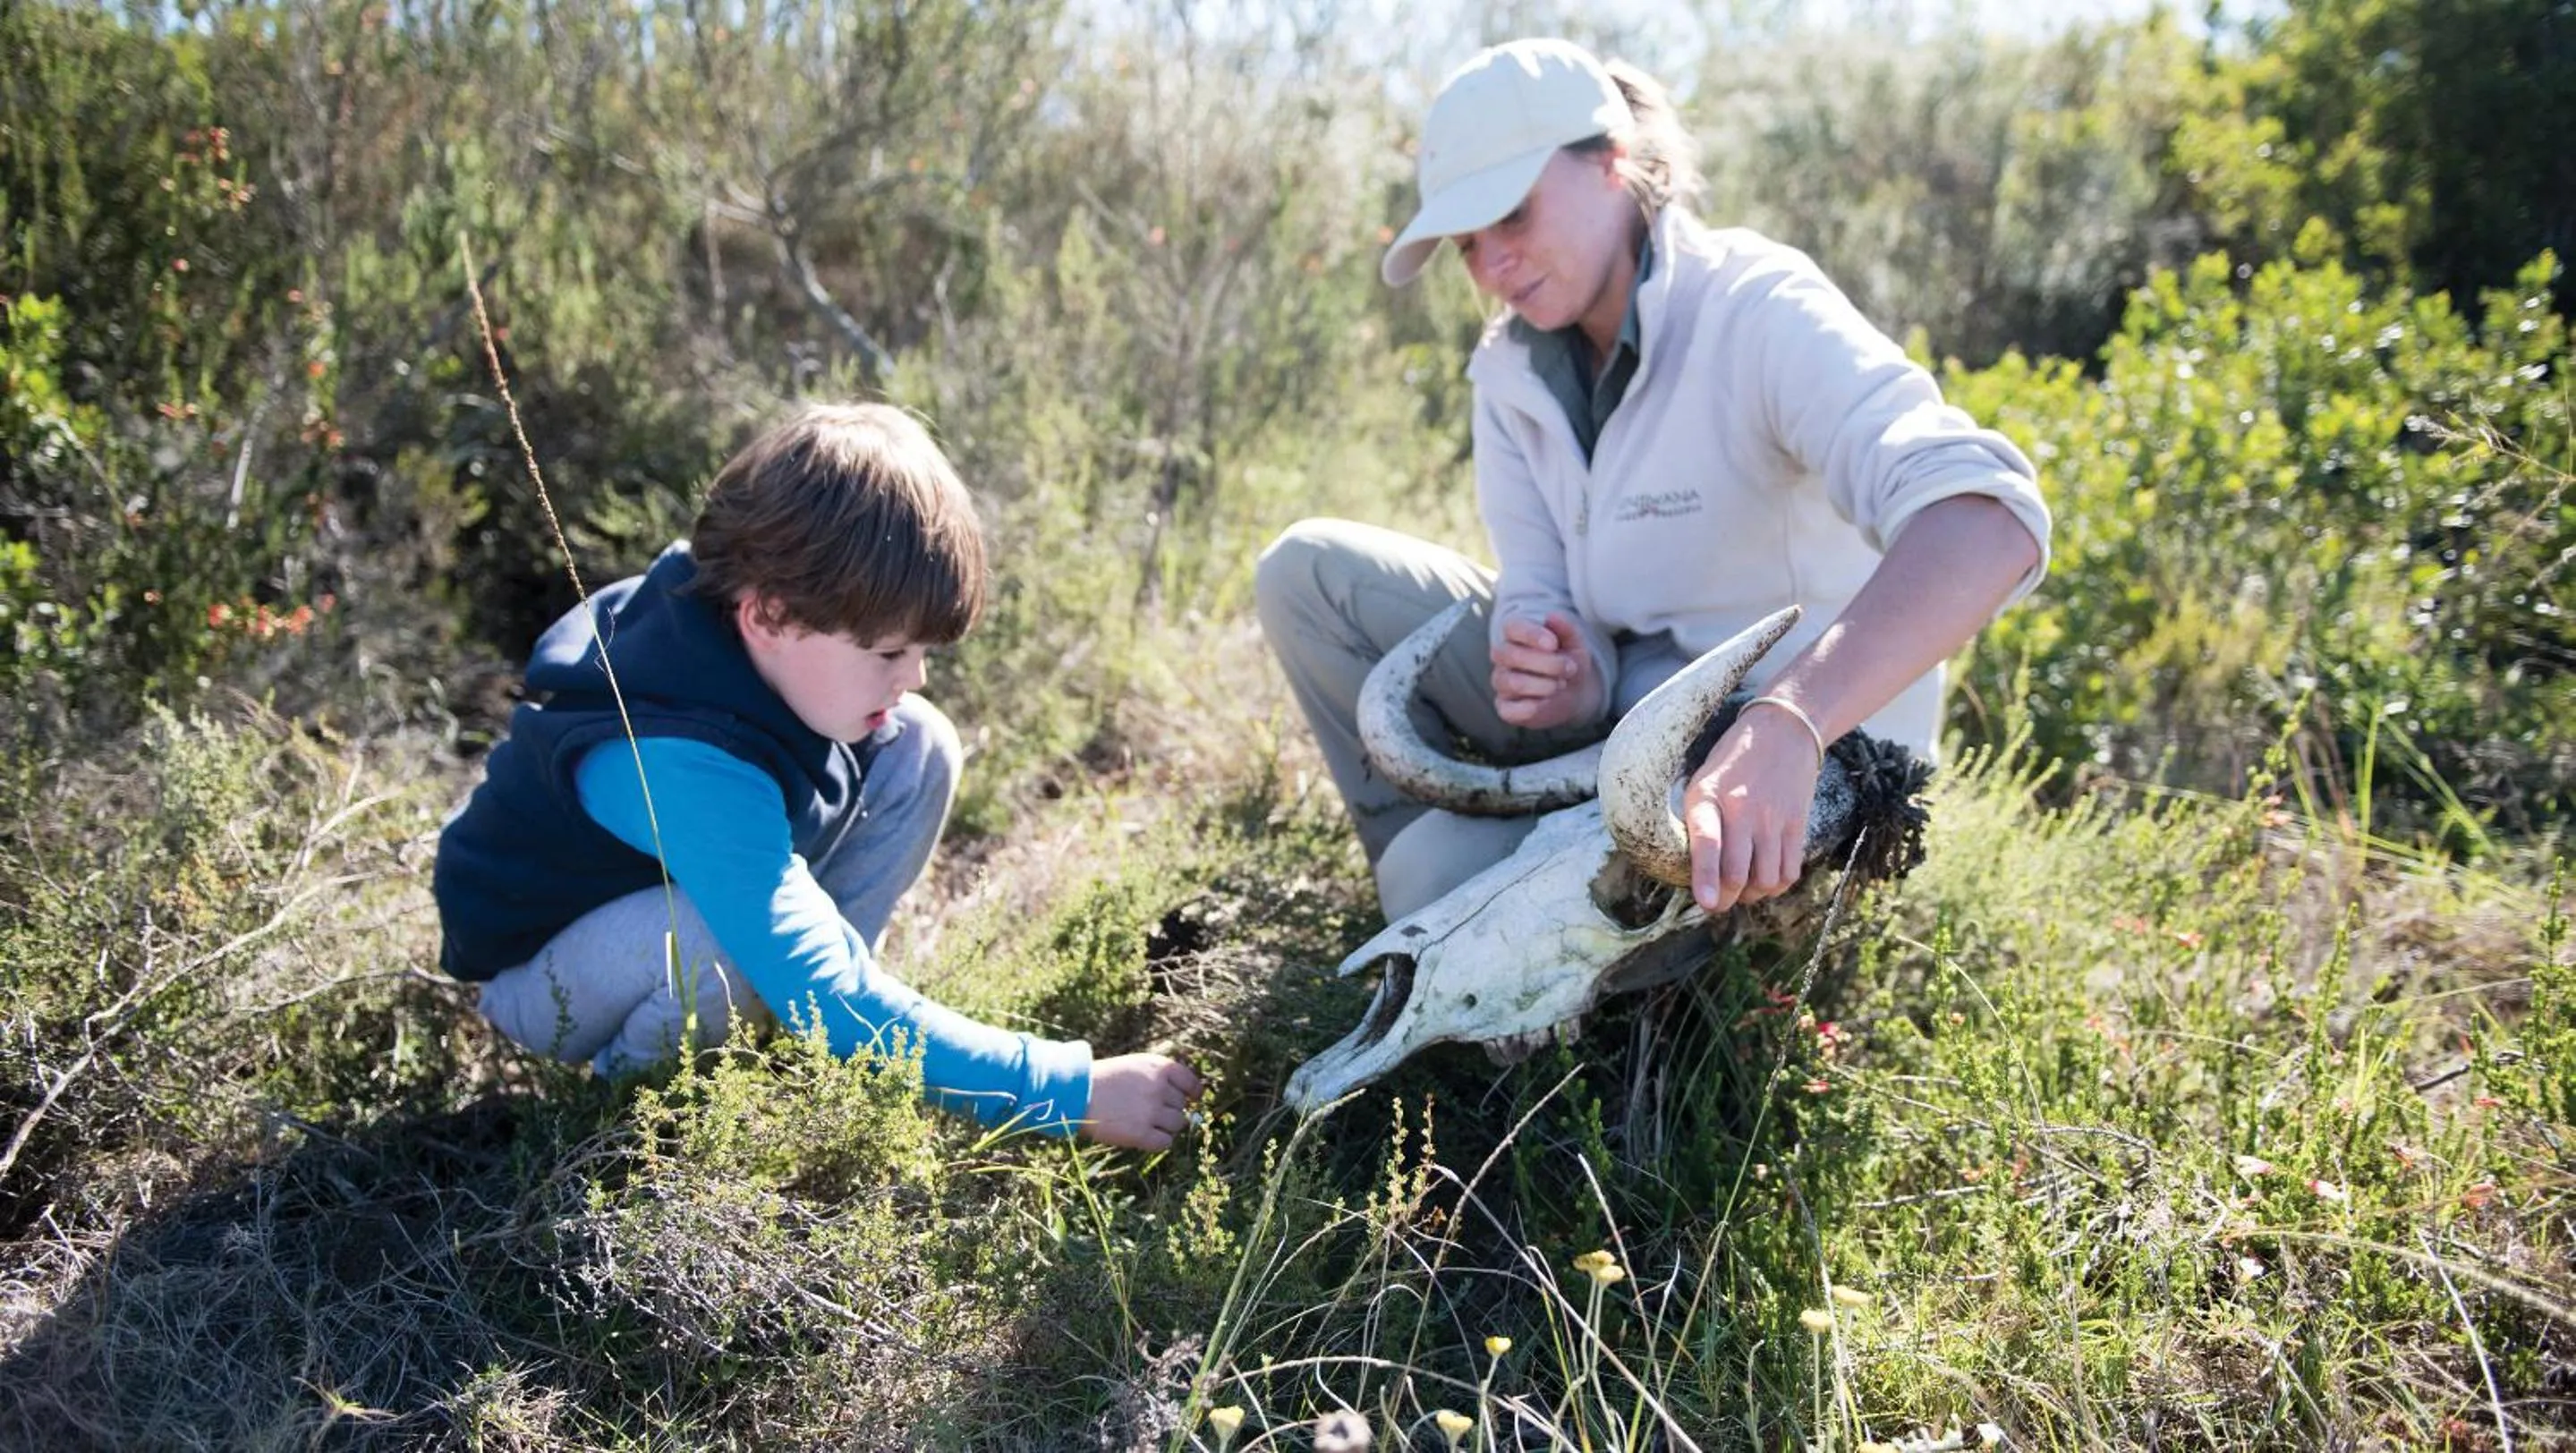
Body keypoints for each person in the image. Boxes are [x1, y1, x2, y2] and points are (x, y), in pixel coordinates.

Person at [1256, 38, 2051, 922]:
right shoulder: (1508, 375)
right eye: (1465, 244)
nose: (1491, 265)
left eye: (1511, 216)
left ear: (1612, 162)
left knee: (1453, 889)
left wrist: (1789, 720)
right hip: (1622, 741)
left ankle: (1495, 905)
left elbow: (1987, 521)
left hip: (1791, 778)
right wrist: (1565, 671)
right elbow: (1544, 592)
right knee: (1303, 571)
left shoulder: (1756, 309)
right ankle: (1436, 904)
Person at [435, 404, 1203, 1149]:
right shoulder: (676, 759)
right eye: (889, 652)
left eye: (921, 652)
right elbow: (822, 985)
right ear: (769, 616)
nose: (916, 676)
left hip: (667, 908)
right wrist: (1068, 1094)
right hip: (546, 979)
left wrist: (828, 1000)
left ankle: (802, 1040)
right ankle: (628, 1122)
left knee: (918, 744)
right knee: (717, 948)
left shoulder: (761, 646)